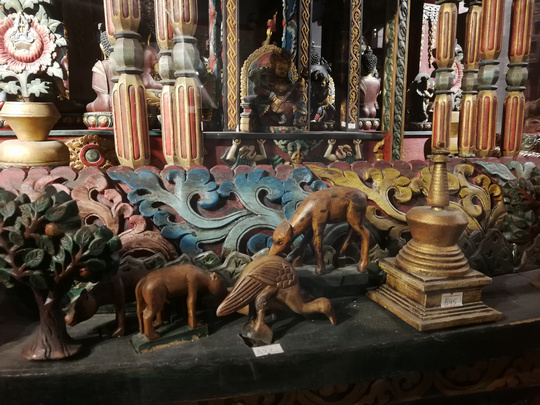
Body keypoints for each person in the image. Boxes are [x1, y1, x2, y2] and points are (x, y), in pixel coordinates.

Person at [248, 50, 307, 128]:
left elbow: (294, 97)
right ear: (274, 66)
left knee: (291, 107)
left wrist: (300, 88)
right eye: (280, 69)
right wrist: (273, 97)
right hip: (268, 106)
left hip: (285, 109)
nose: (282, 72)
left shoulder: (288, 82)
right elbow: (258, 90)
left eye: (285, 70)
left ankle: (292, 121)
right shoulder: (266, 78)